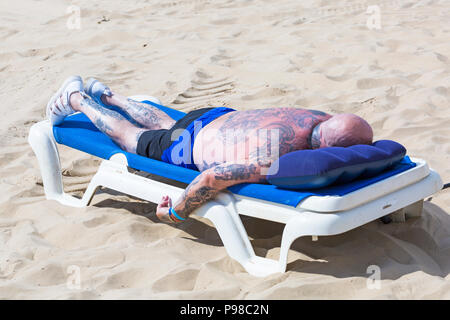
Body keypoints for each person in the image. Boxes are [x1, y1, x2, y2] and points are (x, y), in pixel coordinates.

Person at [47, 76, 374, 224]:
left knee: (163, 120)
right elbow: (214, 177)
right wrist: (174, 214)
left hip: (212, 115)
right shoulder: (276, 156)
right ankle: (75, 98)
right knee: (129, 137)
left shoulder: (315, 116)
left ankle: (107, 94)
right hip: (186, 147)